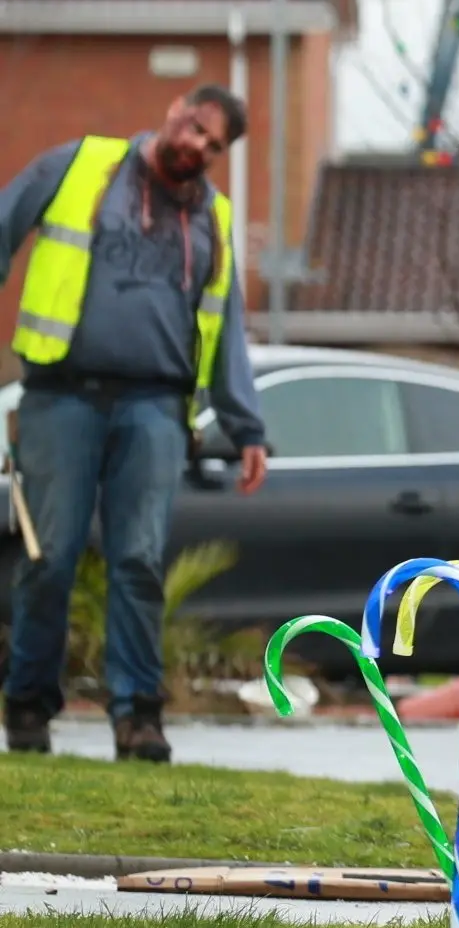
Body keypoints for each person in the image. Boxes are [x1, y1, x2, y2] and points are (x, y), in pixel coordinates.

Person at [1, 90, 268, 762]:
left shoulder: (214, 219)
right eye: (197, 130)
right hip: (61, 395)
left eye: (214, 148)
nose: (198, 149)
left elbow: (225, 325)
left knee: (139, 564)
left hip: (155, 407)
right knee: (48, 557)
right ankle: (29, 703)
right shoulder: (79, 167)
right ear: (175, 109)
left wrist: (246, 426)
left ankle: (138, 718)